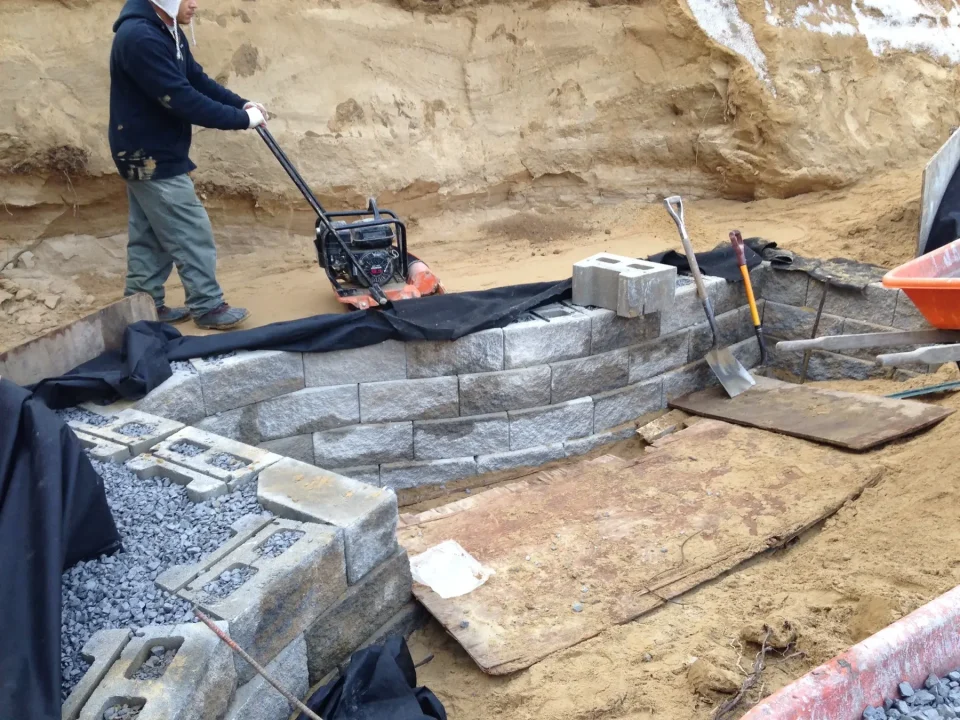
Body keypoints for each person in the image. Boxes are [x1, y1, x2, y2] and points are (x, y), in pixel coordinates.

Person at [109, 0, 267, 329]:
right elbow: (182, 99)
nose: (195, 4)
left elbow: (196, 80)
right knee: (190, 229)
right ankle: (207, 305)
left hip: (147, 149)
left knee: (151, 234)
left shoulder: (167, 32)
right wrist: (241, 120)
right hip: (148, 154)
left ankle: (142, 306)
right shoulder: (140, 38)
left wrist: (241, 104)